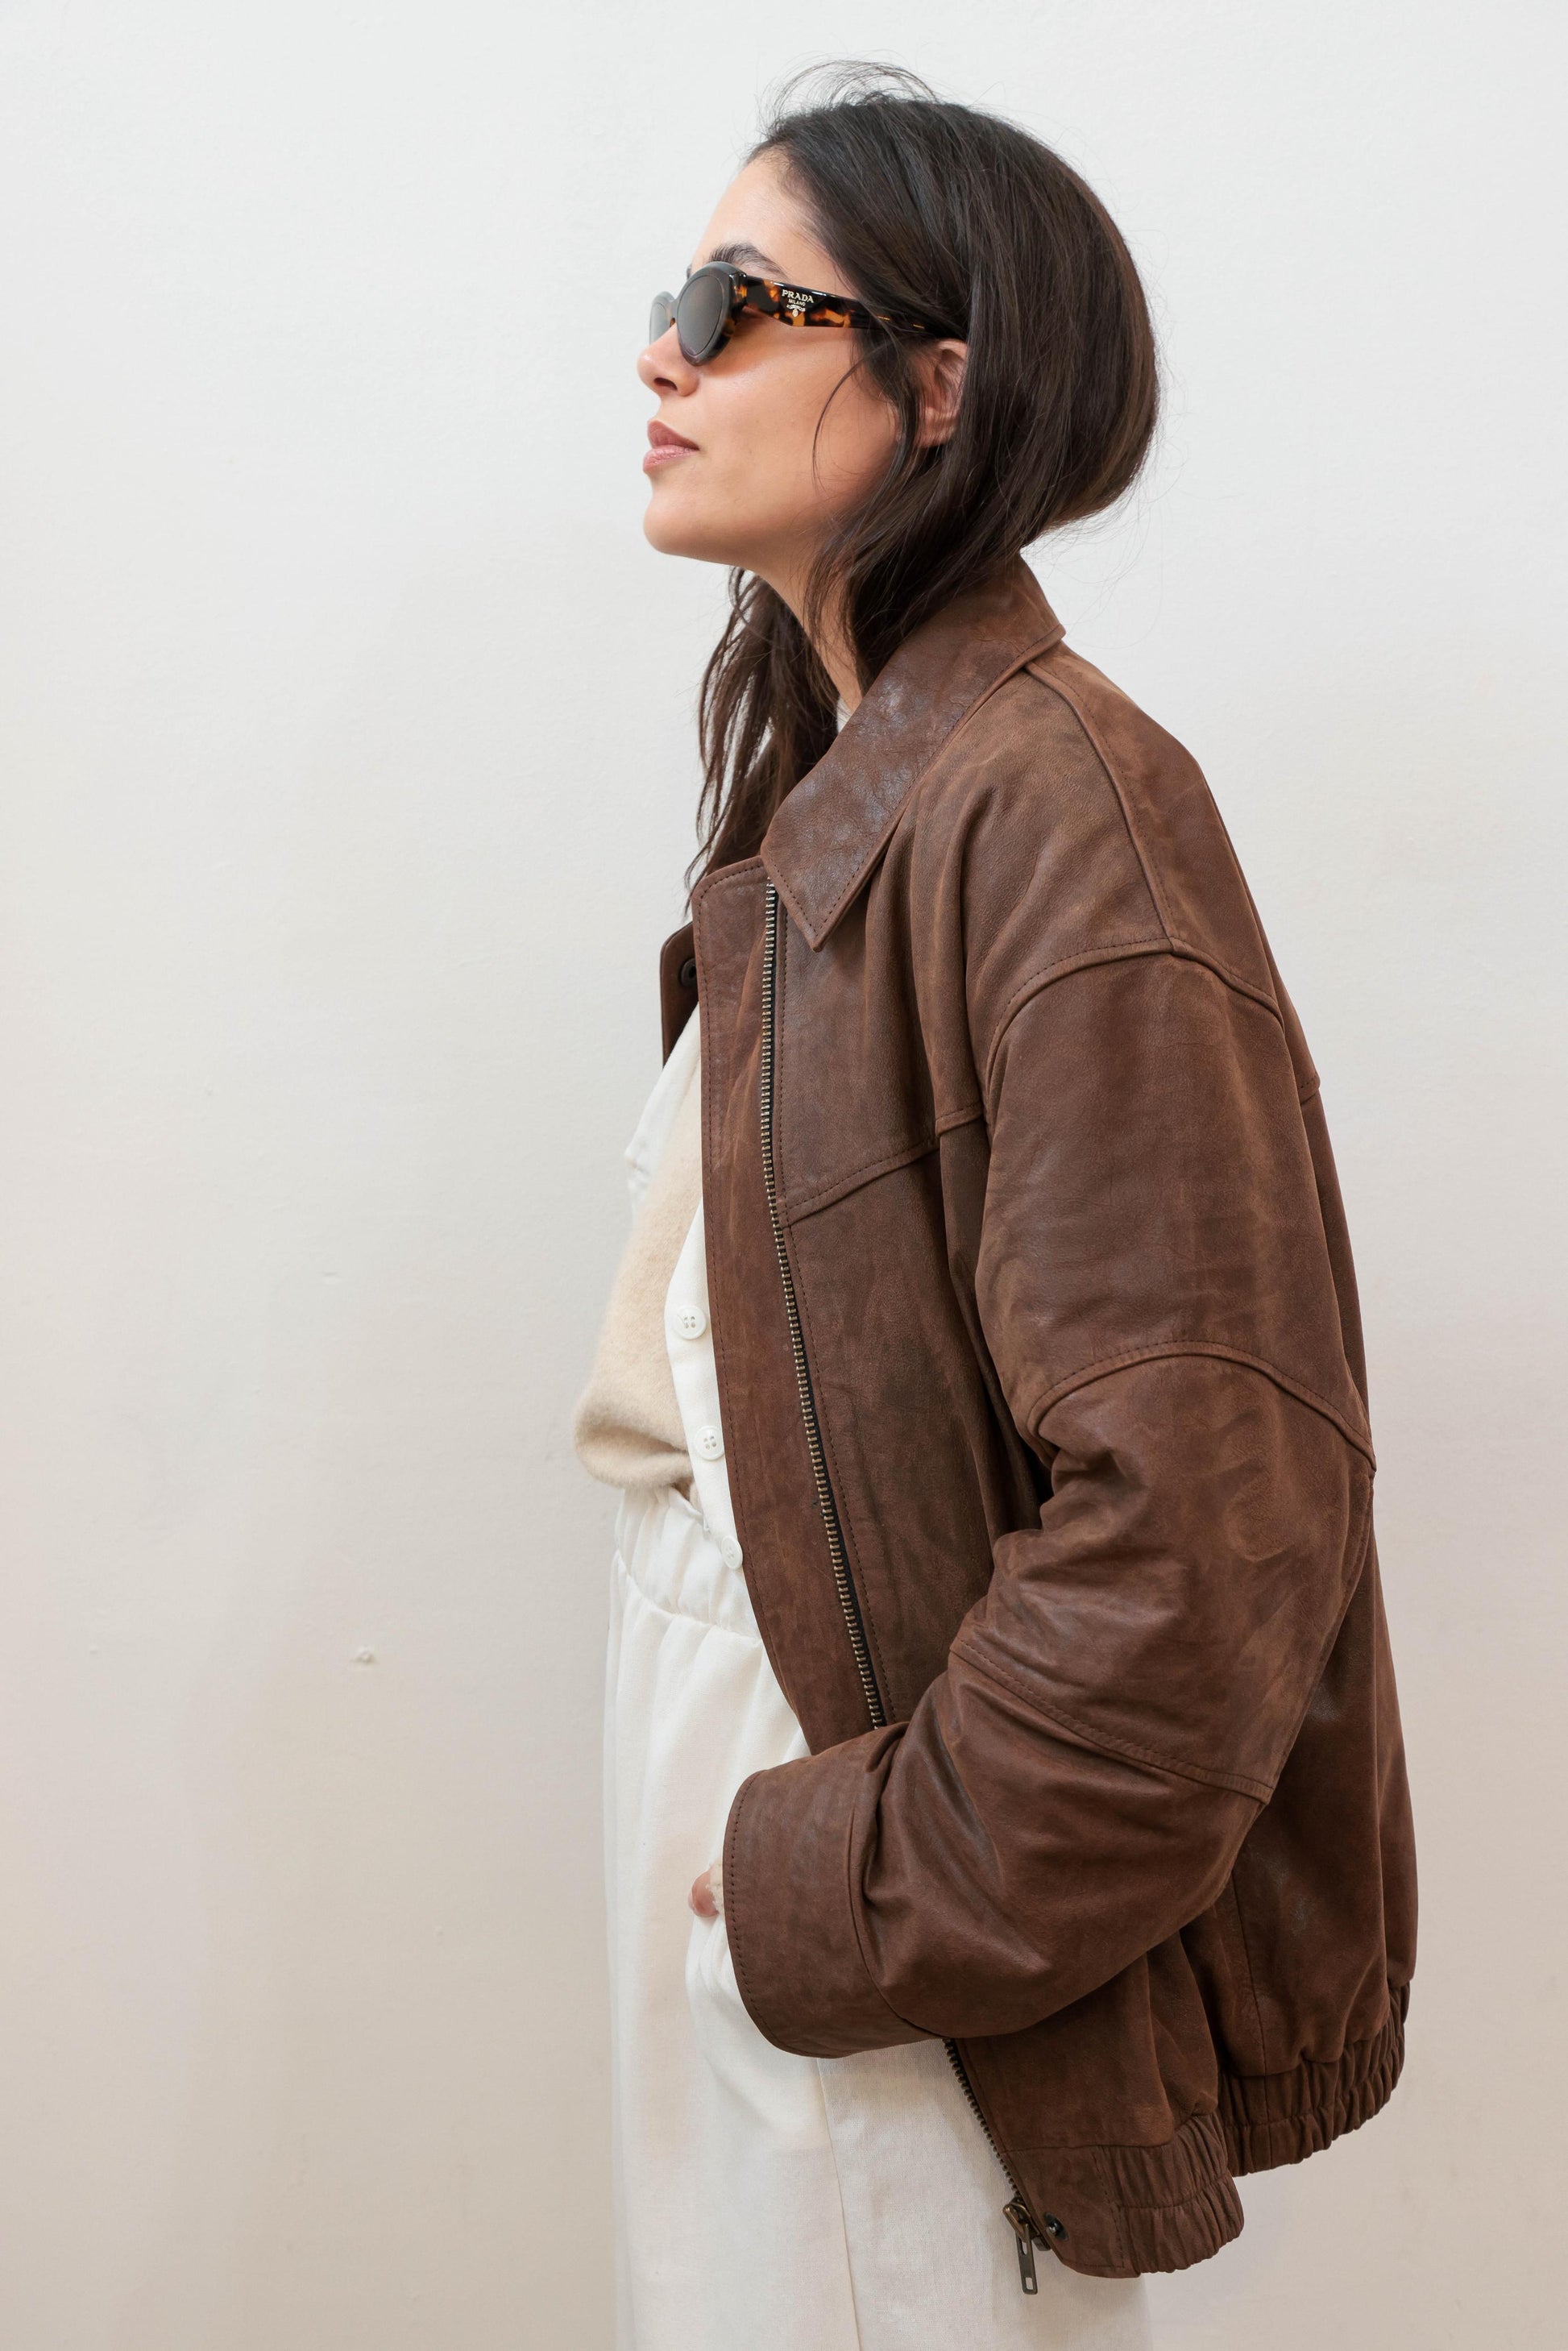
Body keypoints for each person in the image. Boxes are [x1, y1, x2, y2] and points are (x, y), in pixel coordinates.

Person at [574, 64, 1415, 2351]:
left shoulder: (1056, 814)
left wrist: (837, 1892)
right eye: (669, 297)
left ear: (936, 386)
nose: (661, 350)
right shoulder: (855, 786)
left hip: (863, 1896)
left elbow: (1202, 1532)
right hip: (765, 1812)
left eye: (732, 304)